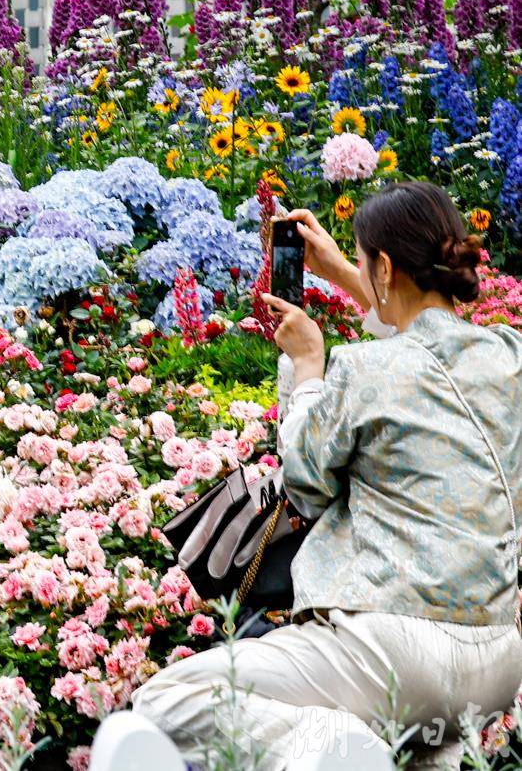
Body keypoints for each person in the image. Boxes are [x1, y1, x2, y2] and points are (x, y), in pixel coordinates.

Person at [95, 180, 522, 771]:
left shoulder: (363, 369)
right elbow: (431, 340)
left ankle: (329, 748)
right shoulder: (508, 355)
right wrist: (352, 273)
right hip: (496, 659)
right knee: (419, 749)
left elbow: (303, 479)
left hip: (392, 646)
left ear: (388, 267)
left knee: (169, 700)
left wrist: (307, 365)